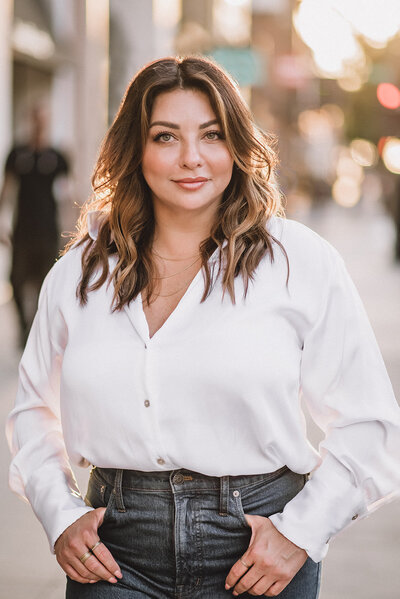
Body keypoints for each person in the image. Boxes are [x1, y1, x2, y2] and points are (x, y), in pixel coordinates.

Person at [6, 56, 400, 598]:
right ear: (135, 150)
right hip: (114, 556)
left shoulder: (298, 262)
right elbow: (32, 410)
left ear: (236, 146)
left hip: (258, 550)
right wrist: (59, 512)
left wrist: (302, 532)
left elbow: (370, 422)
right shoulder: (80, 273)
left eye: (211, 135)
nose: (191, 158)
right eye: (166, 137)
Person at [0, 103, 70, 347]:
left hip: (48, 231)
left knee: (46, 282)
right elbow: (6, 190)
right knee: (16, 280)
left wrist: (72, 229)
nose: (40, 124)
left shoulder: (57, 157)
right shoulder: (17, 154)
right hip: (22, 230)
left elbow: (66, 196)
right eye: (36, 119)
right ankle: (23, 326)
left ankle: (38, 329)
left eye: (44, 119)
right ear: (30, 121)